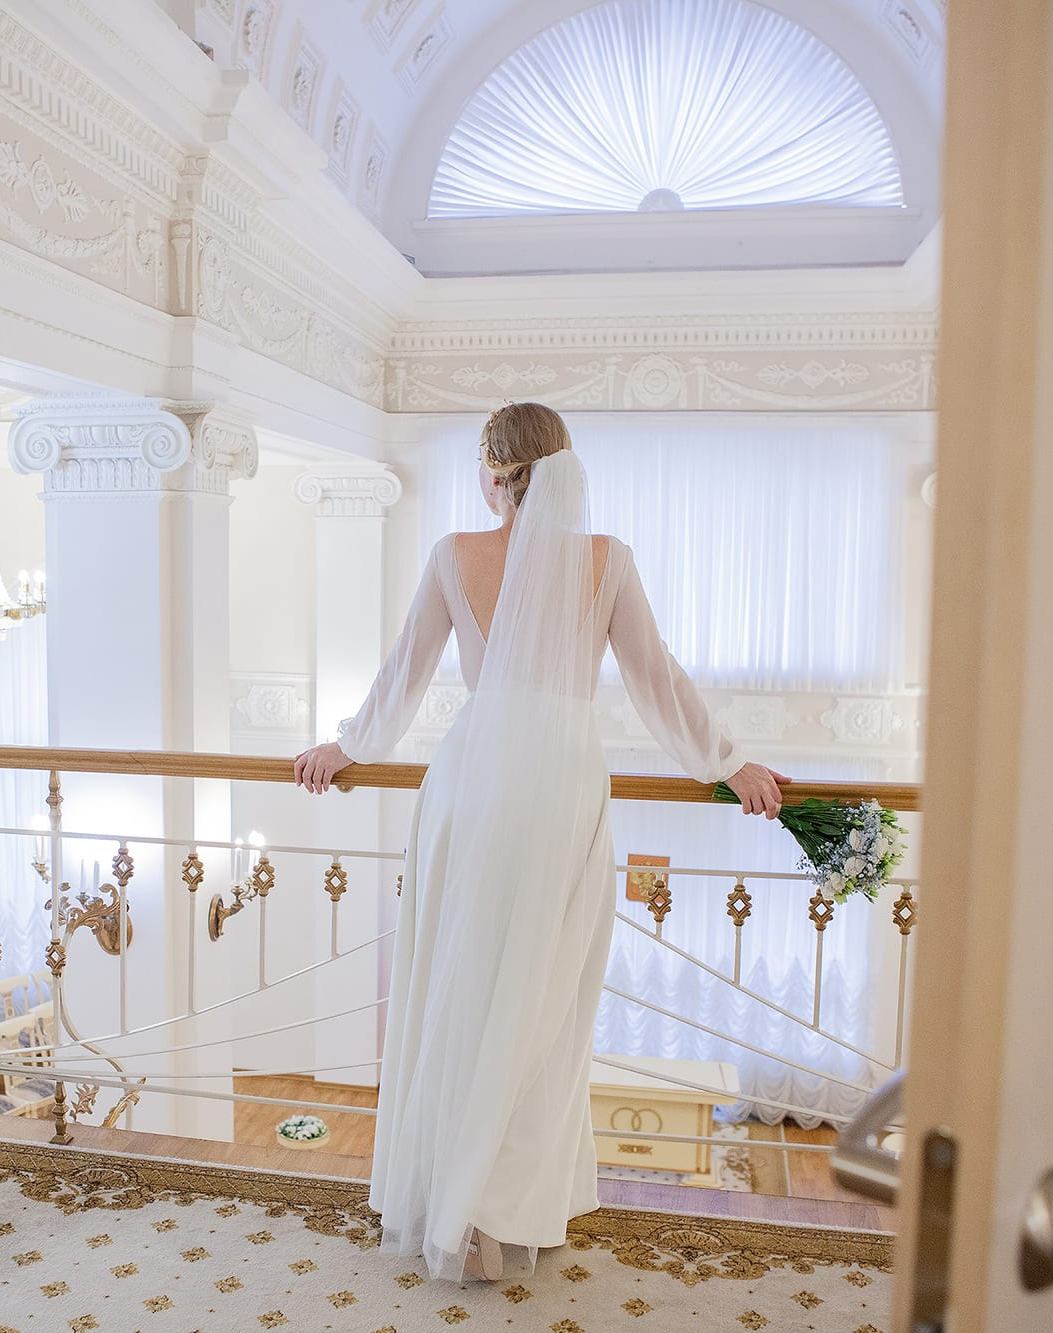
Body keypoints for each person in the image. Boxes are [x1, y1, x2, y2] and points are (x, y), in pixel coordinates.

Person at [293, 402, 786, 1283]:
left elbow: (404, 671)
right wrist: (728, 762)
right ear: (564, 467)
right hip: (560, 786)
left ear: (494, 473)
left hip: (474, 781)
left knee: (465, 985)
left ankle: (466, 1210)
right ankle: (506, 1207)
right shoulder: (607, 559)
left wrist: (347, 747)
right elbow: (654, 677)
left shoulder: (455, 553)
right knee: (543, 998)